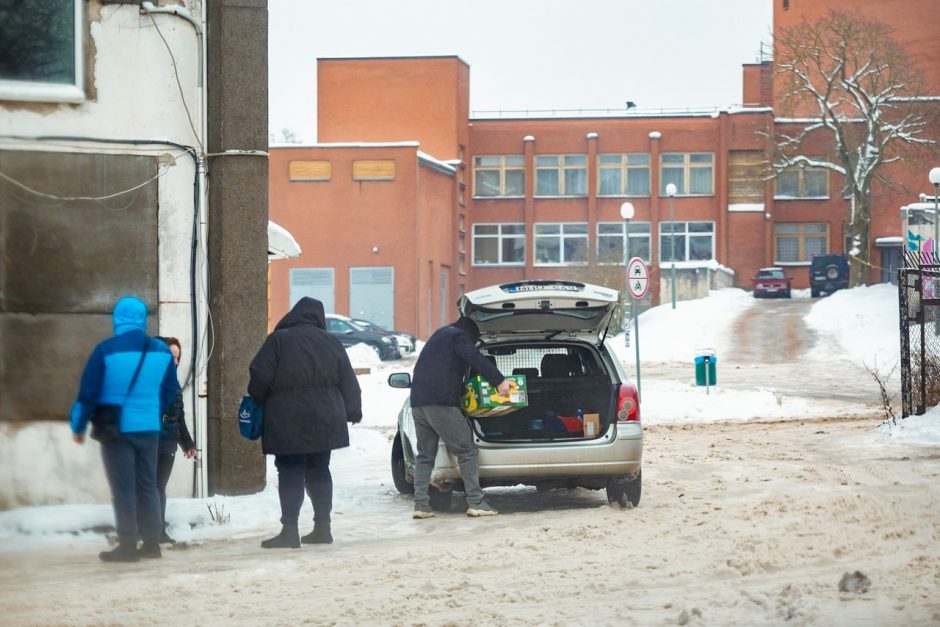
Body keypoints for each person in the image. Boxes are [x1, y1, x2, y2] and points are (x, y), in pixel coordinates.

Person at [70, 296, 180, 562]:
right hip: (148, 428)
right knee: (148, 485)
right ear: (142, 319)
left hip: (115, 429)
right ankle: (152, 543)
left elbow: (88, 392)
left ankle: (128, 545)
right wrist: (152, 411)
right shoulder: (161, 351)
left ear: (117, 319)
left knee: (123, 487)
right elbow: (170, 390)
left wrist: (79, 424)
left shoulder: (106, 350)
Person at [248, 297, 362, 549]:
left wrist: (257, 397)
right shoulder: (332, 342)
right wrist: (353, 411)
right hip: (325, 417)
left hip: (288, 418)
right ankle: (323, 527)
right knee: (319, 470)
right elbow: (348, 379)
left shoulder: (278, 340)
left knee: (290, 471)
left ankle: (289, 530)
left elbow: (259, 374)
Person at [409, 316, 510, 519]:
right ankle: (476, 502)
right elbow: (474, 357)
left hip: (418, 403)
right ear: (472, 334)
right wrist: (499, 380)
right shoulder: (460, 337)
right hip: (441, 403)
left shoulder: (440, 335)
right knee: (466, 450)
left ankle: (421, 505)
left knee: (425, 455)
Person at [152, 336, 197, 544]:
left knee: (159, 486)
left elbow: (179, 417)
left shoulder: (174, 384)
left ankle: (158, 531)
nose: (176, 362)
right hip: (150, 440)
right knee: (148, 486)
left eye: (178, 358)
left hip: (167, 442)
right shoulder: (149, 378)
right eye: (172, 356)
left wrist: (187, 444)